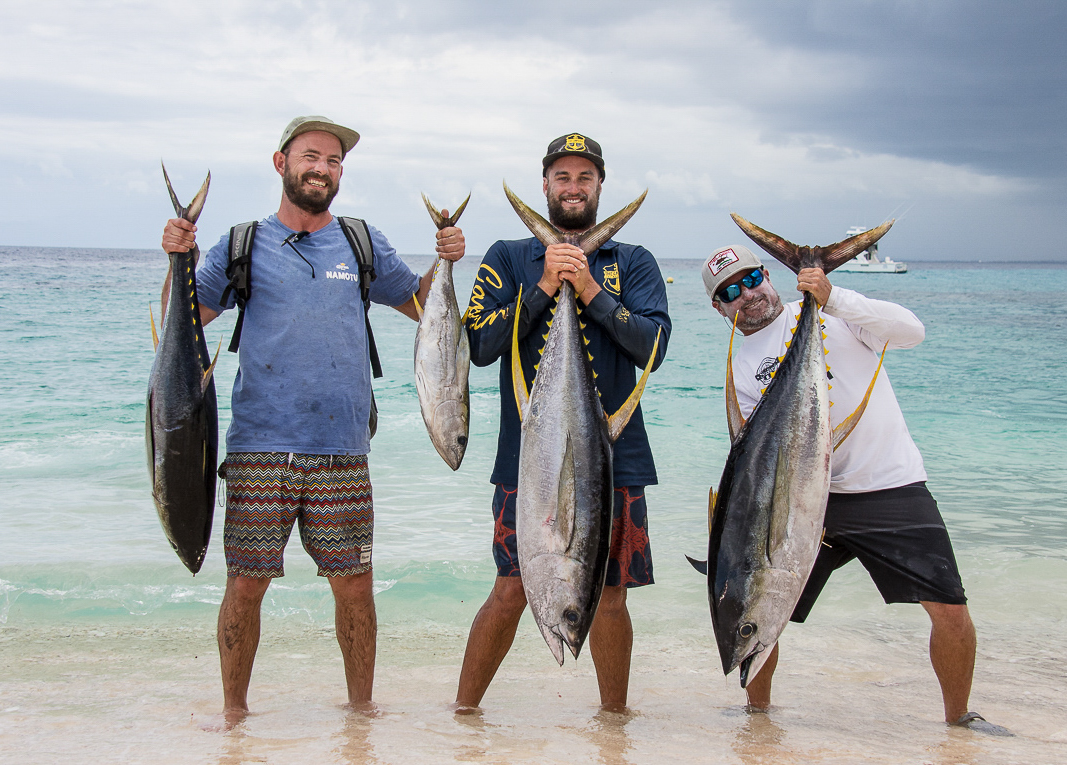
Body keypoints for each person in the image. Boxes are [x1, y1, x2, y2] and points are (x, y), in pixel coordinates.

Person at [159, 116, 465, 724]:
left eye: (333, 161)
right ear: (281, 163)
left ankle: (361, 714)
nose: (322, 169)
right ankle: (233, 716)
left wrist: (447, 258)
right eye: (311, 157)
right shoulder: (243, 242)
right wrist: (177, 256)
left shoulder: (361, 241)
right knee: (245, 586)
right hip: (258, 449)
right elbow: (184, 317)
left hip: (343, 450)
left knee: (354, 586)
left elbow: (423, 306)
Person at [701, 244, 1010, 735]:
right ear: (720, 308)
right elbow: (752, 457)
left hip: (888, 485)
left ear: (767, 274)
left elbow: (913, 332)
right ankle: (756, 717)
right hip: (805, 506)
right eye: (729, 292)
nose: (747, 294)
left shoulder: (836, 315)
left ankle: (960, 719)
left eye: (751, 278)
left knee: (949, 606)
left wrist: (833, 296)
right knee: (761, 601)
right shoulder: (740, 366)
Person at [455, 133, 671, 713]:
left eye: (585, 178)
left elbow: (653, 344)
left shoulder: (634, 262)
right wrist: (549, 283)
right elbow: (478, 344)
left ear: (600, 186)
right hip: (529, 459)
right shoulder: (507, 257)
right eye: (562, 177)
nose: (573, 188)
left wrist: (591, 289)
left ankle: (614, 723)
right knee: (509, 591)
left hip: (618, 459)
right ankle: (464, 715)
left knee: (611, 598)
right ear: (544, 185)